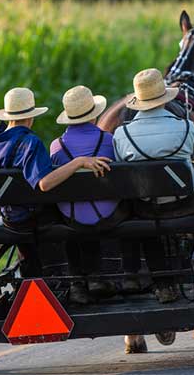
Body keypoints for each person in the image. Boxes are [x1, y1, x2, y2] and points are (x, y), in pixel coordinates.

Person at [0, 87, 111, 278]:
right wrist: (79, 162)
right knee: (66, 213)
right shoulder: (31, 143)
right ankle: (77, 276)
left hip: (10, 218)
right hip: (33, 216)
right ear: (30, 117)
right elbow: (44, 184)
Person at [113, 68, 194, 304]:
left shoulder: (122, 134)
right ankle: (189, 255)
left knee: (144, 220)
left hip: (147, 207)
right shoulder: (186, 126)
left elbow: (120, 169)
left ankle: (163, 285)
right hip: (186, 204)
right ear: (165, 97)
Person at [49, 85, 128, 304]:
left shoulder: (56, 147)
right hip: (107, 215)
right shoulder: (109, 140)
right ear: (94, 115)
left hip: (72, 216)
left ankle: (78, 284)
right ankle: (110, 274)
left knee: (72, 216)